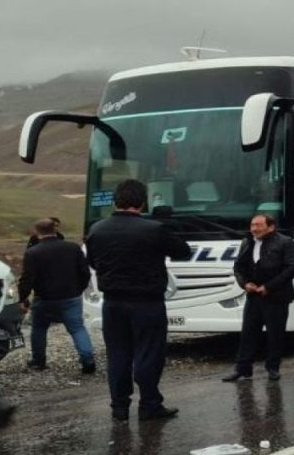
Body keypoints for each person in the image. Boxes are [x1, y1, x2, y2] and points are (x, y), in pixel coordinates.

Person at [85, 179, 191, 423]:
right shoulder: (154, 229)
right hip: (147, 301)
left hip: (112, 301)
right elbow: (183, 252)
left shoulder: (97, 229)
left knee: (118, 355)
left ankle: (119, 408)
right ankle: (150, 404)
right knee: (149, 353)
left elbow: (92, 262)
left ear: (115, 200)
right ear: (143, 202)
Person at [222, 214, 294, 383]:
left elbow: (293, 268)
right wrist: (244, 284)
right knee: (248, 333)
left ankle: (273, 368)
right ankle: (243, 369)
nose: (254, 229)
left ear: (271, 227)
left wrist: (269, 287)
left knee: (275, 334)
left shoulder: (285, 242)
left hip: (276, 296)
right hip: (253, 296)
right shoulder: (247, 242)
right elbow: (238, 267)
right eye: (252, 225)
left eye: (258, 225)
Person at [19, 218, 95, 373]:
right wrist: (78, 289)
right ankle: (88, 360)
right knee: (77, 329)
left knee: (39, 329)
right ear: (55, 230)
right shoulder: (73, 248)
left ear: (37, 231)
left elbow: (27, 279)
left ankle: (38, 361)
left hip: (44, 298)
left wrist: (23, 298)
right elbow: (85, 272)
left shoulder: (32, 253)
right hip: (71, 297)